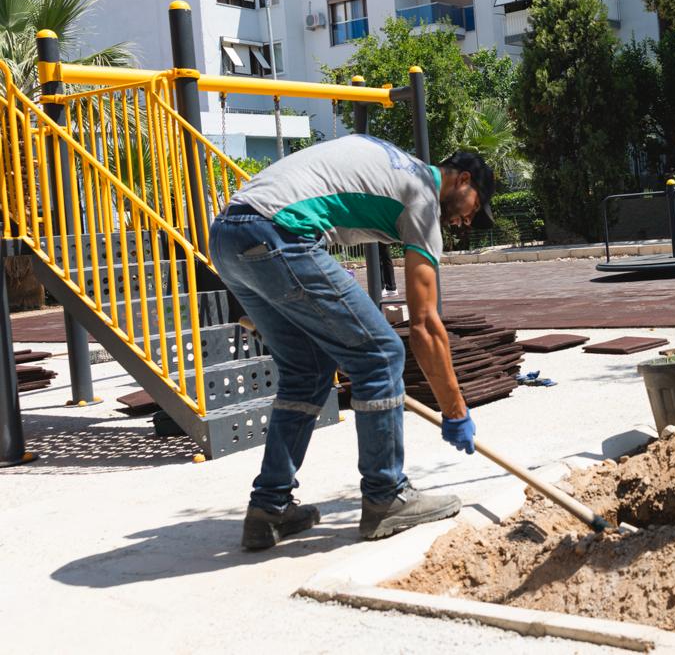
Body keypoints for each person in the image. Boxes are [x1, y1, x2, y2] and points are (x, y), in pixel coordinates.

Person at [208, 138, 495, 550]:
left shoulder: (397, 168)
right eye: (475, 207)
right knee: (381, 355)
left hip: (228, 235)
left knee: (307, 371)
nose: (468, 221)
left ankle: (268, 509)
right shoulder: (423, 197)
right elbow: (426, 324)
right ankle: (386, 496)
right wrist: (455, 410)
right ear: (462, 179)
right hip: (277, 232)